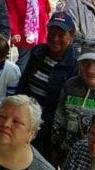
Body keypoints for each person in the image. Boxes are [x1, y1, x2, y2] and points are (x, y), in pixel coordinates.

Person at [17, 11, 79, 157]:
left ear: (71, 36)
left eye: (61, 34)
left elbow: (66, 106)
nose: (55, 38)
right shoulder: (38, 52)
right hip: (27, 117)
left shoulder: (75, 63)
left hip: (50, 127)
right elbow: (23, 84)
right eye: (52, 32)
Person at [5, 0, 52, 71]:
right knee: (24, 61)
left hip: (40, 31)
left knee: (39, 58)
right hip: (22, 32)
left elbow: (47, 7)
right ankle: (17, 82)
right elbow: (11, 13)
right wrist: (14, 31)